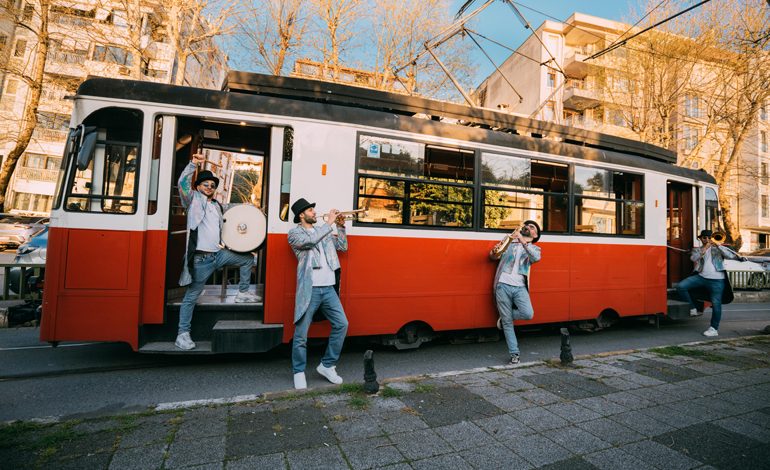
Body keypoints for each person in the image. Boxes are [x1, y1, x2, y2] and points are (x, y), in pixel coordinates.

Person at [175, 153, 259, 350]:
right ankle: (182, 334)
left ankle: (243, 293)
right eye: (205, 184)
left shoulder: (217, 205)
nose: (210, 187)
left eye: (212, 185)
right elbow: (182, 184)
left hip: (217, 255)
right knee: (191, 297)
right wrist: (193, 164)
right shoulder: (192, 200)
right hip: (201, 259)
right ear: (198, 187)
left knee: (247, 259)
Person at [287, 198, 349, 390]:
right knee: (301, 335)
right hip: (310, 290)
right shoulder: (294, 234)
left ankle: (327, 365)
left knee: (342, 324)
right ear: (301, 215)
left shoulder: (325, 231)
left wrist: (340, 227)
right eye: (310, 211)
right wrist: (329, 223)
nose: (314, 212)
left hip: (329, 288)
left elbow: (343, 248)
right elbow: (309, 242)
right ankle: (298, 371)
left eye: (314, 210)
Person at [489, 220, 542, 365]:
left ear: (535, 234)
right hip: (502, 285)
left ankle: (505, 317)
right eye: (527, 225)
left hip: (520, 287)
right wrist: (496, 250)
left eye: (532, 227)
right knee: (507, 323)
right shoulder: (509, 242)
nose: (528, 227)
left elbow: (535, 258)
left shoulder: (535, 249)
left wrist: (522, 241)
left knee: (528, 314)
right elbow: (493, 256)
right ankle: (514, 354)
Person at [677, 229, 744, 337]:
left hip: (717, 280)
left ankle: (714, 329)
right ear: (701, 239)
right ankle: (692, 308)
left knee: (716, 304)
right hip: (701, 277)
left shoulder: (719, 249)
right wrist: (705, 248)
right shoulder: (698, 249)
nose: (707, 239)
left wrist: (718, 245)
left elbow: (731, 256)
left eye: (709, 237)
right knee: (681, 287)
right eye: (704, 238)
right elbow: (693, 258)